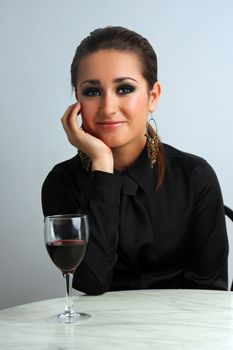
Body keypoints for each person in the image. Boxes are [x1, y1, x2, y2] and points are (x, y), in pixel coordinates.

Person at [41, 26, 228, 294]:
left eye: (124, 89)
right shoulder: (62, 182)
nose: (107, 108)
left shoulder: (195, 176)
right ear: (77, 101)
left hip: (186, 331)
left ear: (153, 97)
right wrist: (102, 164)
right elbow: (91, 282)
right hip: (97, 333)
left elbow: (211, 294)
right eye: (92, 92)